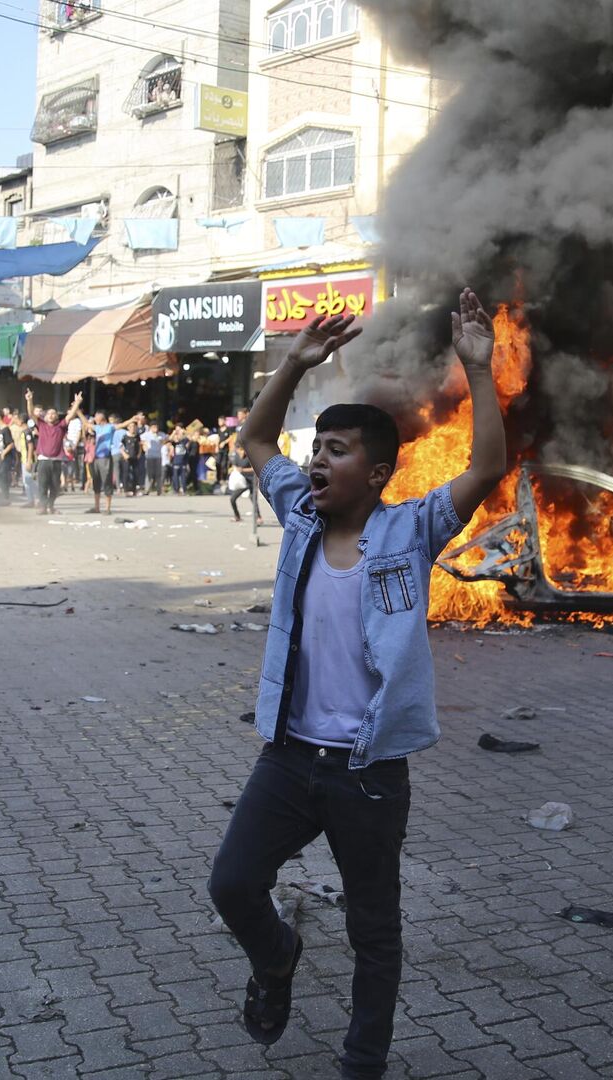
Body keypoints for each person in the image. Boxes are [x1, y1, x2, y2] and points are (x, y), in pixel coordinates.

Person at [208, 290, 506, 1080]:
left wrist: (478, 368)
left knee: (376, 930)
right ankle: (276, 961)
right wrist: (293, 362)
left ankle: (362, 1064)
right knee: (234, 882)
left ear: (376, 473)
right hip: (289, 759)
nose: (316, 461)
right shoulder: (300, 519)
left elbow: (487, 466)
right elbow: (256, 437)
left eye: (336, 451)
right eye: (318, 448)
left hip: (369, 773)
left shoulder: (409, 533)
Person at [24, 389, 76, 514]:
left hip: (57, 461)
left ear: (57, 416)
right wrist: (29, 400)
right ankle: (43, 506)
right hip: (43, 460)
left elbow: (70, 416)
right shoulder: (41, 425)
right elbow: (31, 413)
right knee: (42, 485)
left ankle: (51, 506)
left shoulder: (61, 426)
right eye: (49, 414)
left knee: (54, 486)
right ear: (45, 416)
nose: (51, 415)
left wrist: (77, 403)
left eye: (54, 413)